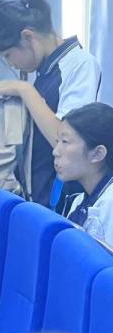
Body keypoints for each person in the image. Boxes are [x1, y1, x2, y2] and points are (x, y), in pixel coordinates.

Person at [0, 0, 101, 207]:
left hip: (61, 199)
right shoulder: (46, 72)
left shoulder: (81, 65)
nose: (10, 64)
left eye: (7, 55)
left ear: (28, 37)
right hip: (37, 195)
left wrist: (25, 91)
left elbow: (67, 141)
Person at [54, 103, 113, 245]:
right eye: (57, 141)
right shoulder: (78, 201)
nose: (55, 151)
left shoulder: (110, 203)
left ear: (98, 154)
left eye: (65, 142)